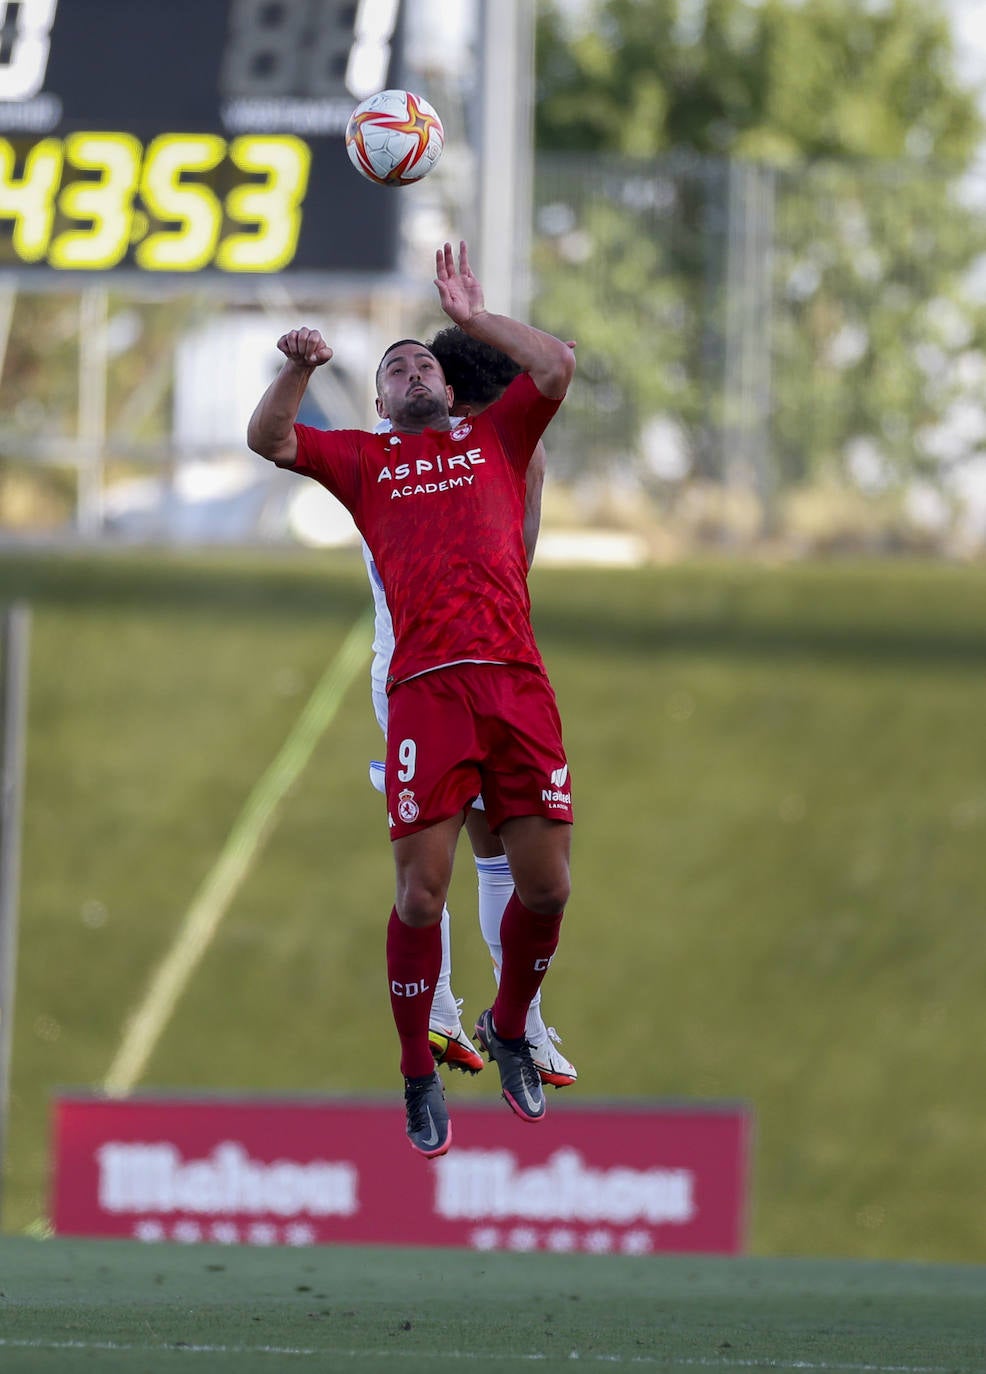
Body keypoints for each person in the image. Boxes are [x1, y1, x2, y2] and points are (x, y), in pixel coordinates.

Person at [247, 240, 576, 1159]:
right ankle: (417, 1072)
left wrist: (473, 319)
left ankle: (512, 1026)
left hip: (514, 683)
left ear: (451, 388)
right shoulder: (364, 461)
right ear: (381, 403)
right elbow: (271, 441)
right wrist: (300, 368)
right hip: (426, 694)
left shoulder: (497, 438)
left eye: (425, 358)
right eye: (394, 368)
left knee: (546, 887)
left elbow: (555, 365)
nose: (411, 366)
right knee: (422, 896)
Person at [364, 324, 577, 1089]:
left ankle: (497, 1017)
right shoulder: (394, 460)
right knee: (441, 861)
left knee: (504, 856)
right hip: (419, 671)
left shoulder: (477, 451)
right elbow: (518, 558)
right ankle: (448, 1013)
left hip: (483, 666)